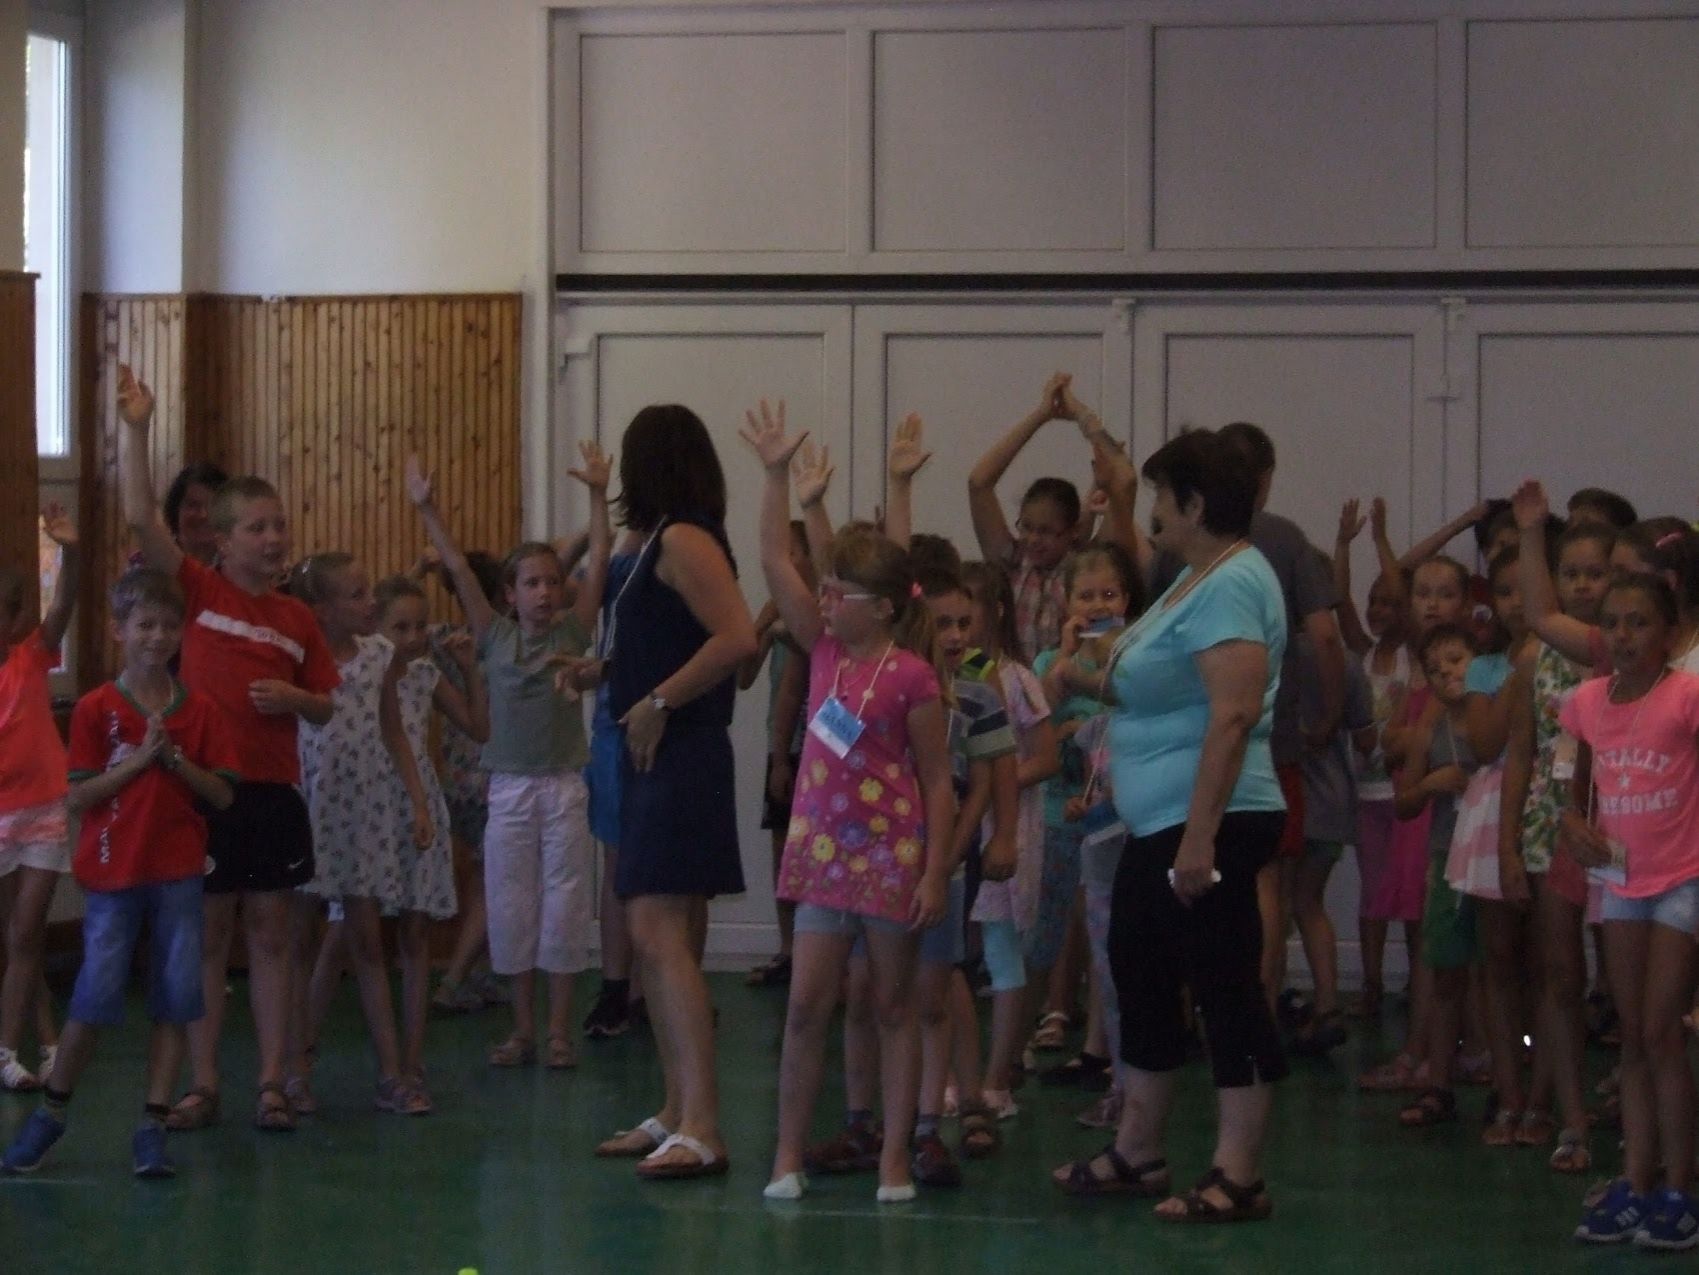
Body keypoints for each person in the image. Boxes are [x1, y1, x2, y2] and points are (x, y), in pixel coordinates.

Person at [1053, 427, 1286, 1224]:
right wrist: (1077, 676)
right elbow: (1150, 686)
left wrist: (1198, 836)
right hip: (1156, 819)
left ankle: (1238, 1173)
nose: (1151, 509)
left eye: (1159, 494)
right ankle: (1138, 1148)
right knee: (1140, 971)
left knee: (1224, 985)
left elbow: (1234, 712)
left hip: (1209, 817)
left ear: (1192, 502)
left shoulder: (1232, 582)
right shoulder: (1190, 581)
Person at [118, 366, 340, 1134]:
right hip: (204, 790)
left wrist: (296, 700)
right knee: (207, 936)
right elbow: (141, 517)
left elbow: (326, 702)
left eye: (279, 526)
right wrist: (138, 429)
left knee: (273, 935)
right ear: (222, 538)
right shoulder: (198, 592)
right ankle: (205, 1081)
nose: (273, 539)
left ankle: (274, 1079)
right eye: (257, 528)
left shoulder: (297, 619)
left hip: (272, 793)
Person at [743, 400, 951, 1203]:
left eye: (840, 591)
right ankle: (786, 1153)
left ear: (884, 605)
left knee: (892, 1005)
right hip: (821, 856)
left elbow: (935, 778)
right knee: (805, 1006)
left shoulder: (913, 675)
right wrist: (774, 478)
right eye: (823, 589)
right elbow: (773, 557)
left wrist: (933, 871)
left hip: (888, 854)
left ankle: (894, 1155)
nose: (824, 599)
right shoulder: (822, 648)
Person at [1, 568, 236, 1176]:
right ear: (119, 631)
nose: (157, 637)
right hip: (113, 876)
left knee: (175, 999)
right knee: (95, 995)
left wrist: (174, 760)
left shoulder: (200, 710)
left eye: (168, 626)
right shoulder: (95, 709)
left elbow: (222, 793)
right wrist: (137, 763)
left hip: (178, 873)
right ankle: (52, 1114)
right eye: (145, 625)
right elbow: (78, 795)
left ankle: (152, 1125)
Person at [587, 405, 755, 1181]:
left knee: (657, 931)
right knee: (660, 934)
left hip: (679, 752)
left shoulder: (686, 538)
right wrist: (606, 673)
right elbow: (658, 634)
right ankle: (675, 1105)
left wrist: (658, 699)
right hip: (650, 748)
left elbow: (736, 638)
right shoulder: (652, 538)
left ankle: (704, 1123)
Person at [407, 445, 609, 1071]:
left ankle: (557, 1029)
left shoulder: (574, 632)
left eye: (552, 582)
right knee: (511, 903)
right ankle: (523, 1029)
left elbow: (601, 559)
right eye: (532, 583)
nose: (545, 592)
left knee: (565, 902)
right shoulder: (493, 635)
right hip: (510, 789)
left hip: (564, 785)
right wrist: (427, 509)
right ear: (510, 594)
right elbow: (456, 567)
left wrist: (598, 496)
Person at [1565, 574, 1699, 1249]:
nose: (1623, 635)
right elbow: (1575, 783)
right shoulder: (1587, 701)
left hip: (1682, 877)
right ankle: (1637, 1181)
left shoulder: (1686, 696)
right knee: (1633, 1034)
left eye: (1639, 622)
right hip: (1620, 880)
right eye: (1613, 622)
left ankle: (1681, 1186)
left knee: (1660, 1029)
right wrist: (1573, 824)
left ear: (1670, 634)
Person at [0, 504, 79, 1092]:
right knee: (17, 939)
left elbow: (63, 608)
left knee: (26, 933)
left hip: (43, 810)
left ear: (14, 618)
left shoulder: (30, 655)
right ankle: (48, 1040)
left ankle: (7, 1052)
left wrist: (70, 551)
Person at [968, 373, 1107, 660]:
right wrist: (1041, 416)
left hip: (1064, 683)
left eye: (1045, 531)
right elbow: (978, 483)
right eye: (1026, 527)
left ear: (1072, 530)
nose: (1032, 539)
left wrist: (1082, 416)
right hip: (1009, 683)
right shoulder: (1013, 563)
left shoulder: (1083, 573)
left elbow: (1119, 479)